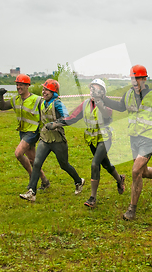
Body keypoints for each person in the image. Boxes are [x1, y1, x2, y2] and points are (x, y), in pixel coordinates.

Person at [101, 65, 152, 221]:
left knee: (135, 170)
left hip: (150, 138)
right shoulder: (128, 95)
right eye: (132, 78)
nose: (134, 81)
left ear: (144, 79)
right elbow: (119, 107)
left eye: (137, 78)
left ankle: (132, 209)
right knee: (142, 172)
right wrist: (103, 98)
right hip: (134, 137)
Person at [47, 78, 126, 207]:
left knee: (95, 164)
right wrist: (56, 124)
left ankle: (92, 198)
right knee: (106, 164)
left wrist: (100, 103)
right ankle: (120, 179)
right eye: (92, 88)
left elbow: (106, 115)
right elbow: (72, 118)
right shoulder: (85, 104)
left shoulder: (106, 104)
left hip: (105, 139)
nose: (93, 91)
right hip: (92, 140)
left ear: (103, 92)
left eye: (96, 89)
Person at [19, 79, 85, 202]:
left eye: (47, 90)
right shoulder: (42, 103)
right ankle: (32, 192)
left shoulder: (58, 104)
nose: (44, 92)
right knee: (37, 163)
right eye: (43, 89)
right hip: (44, 139)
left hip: (57, 140)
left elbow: (67, 119)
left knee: (64, 165)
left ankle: (78, 181)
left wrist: (55, 124)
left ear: (54, 92)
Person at [0, 74, 50, 188]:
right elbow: (2, 107)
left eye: (21, 85)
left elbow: (47, 111)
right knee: (32, 160)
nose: (18, 87)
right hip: (23, 131)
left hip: (33, 132)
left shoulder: (37, 99)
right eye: (17, 85)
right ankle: (45, 181)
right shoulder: (15, 99)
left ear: (27, 86)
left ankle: (32, 177)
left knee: (18, 153)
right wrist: (0, 96)